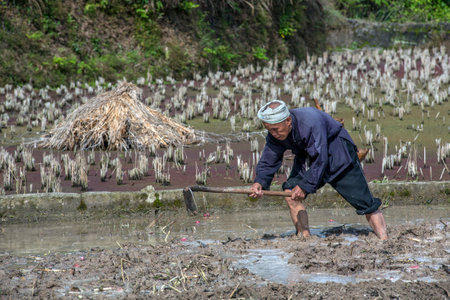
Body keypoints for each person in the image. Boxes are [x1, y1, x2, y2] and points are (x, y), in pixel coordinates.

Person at [249, 99, 388, 240]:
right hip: (308, 155)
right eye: (269, 130)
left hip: (337, 151)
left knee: (364, 201)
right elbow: (269, 159)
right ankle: (305, 238)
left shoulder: (310, 122)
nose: (273, 134)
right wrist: (259, 182)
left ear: (288, 121)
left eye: (275, 129)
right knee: (290, 192)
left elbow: (321, 159)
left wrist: (305, 186)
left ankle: (384, 239)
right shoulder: (275, 134)